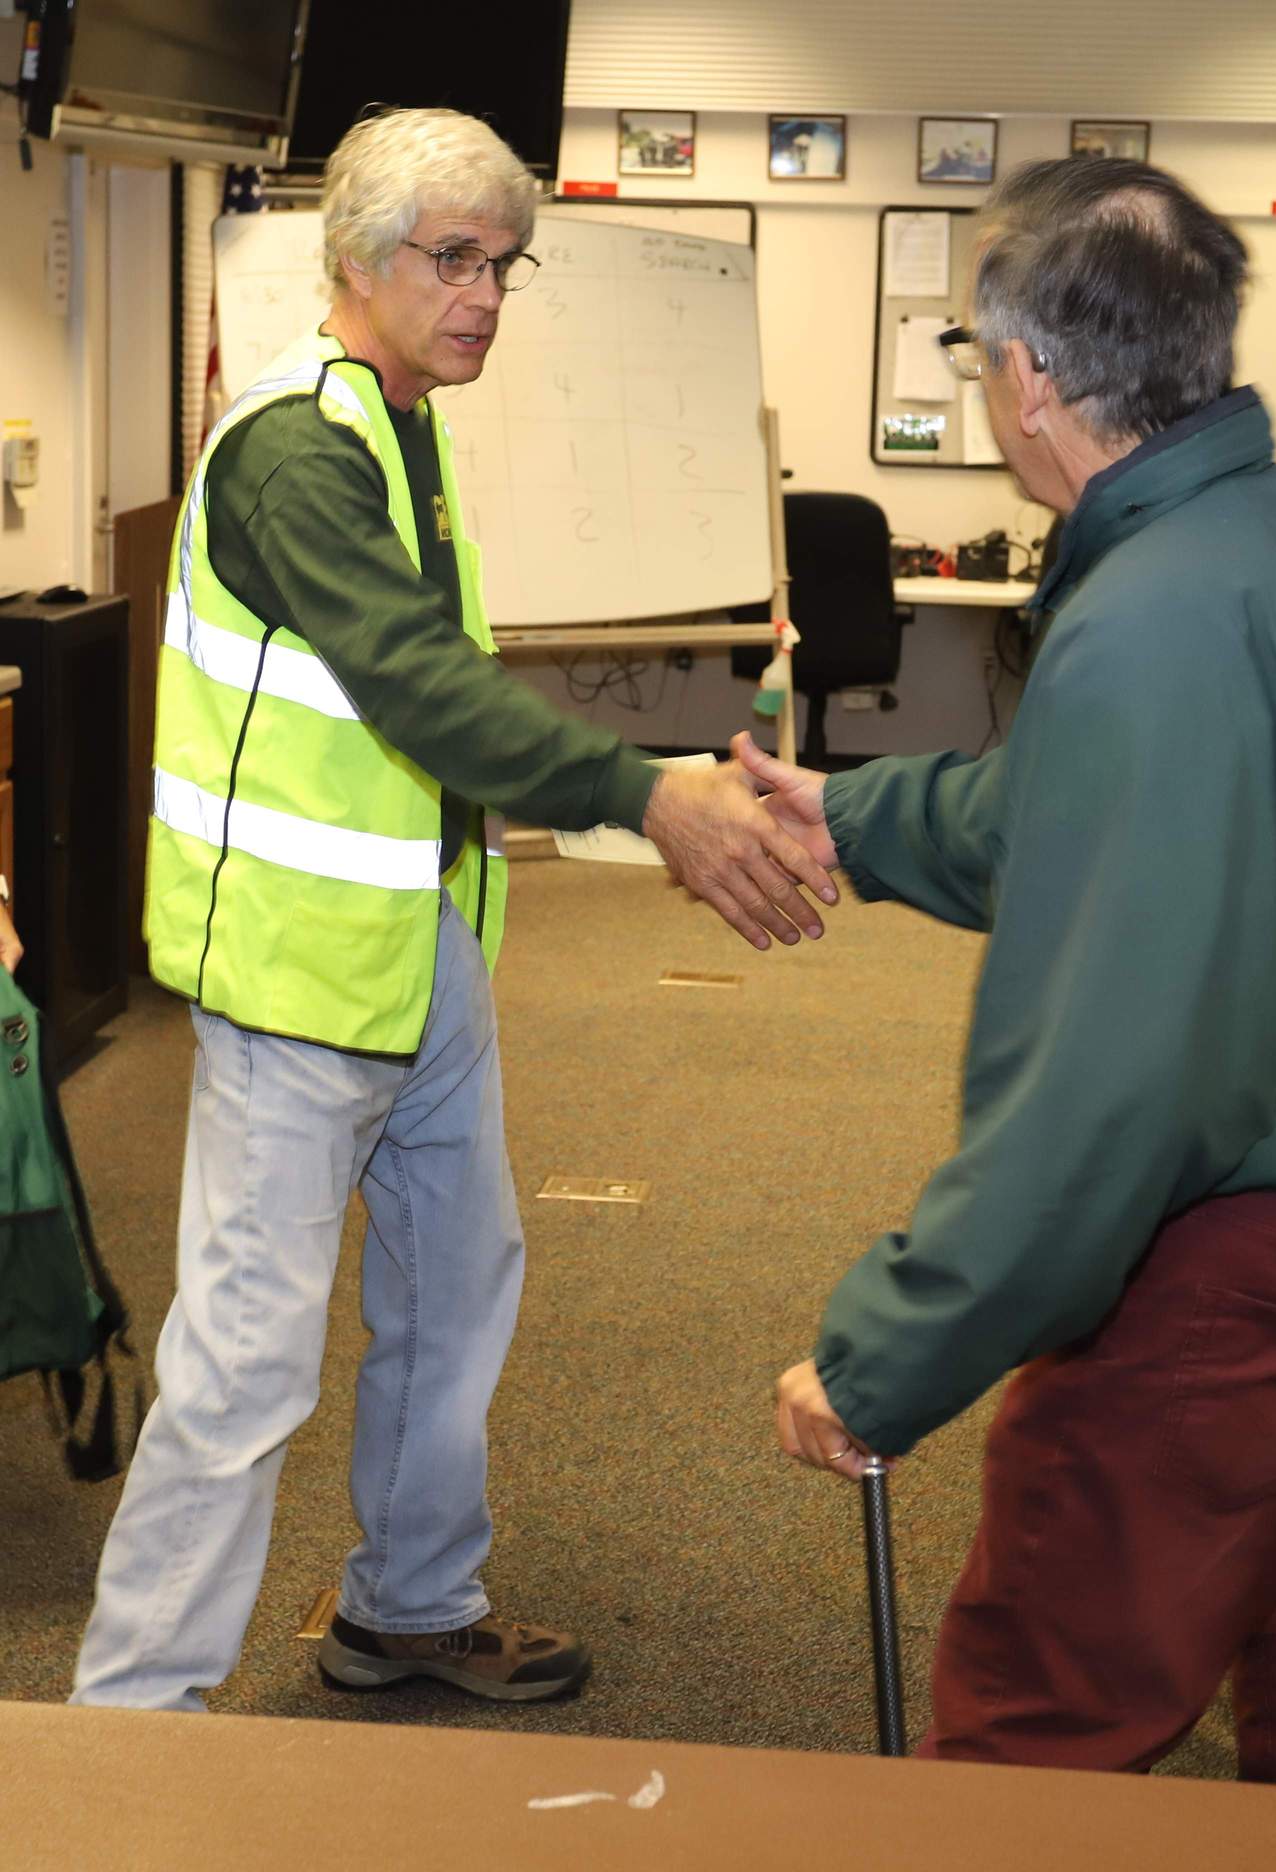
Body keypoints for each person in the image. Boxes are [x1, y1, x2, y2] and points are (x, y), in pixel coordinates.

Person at [750, 155, 1276, 1792]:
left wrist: (890, 1353)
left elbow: (1113, 1087)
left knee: (1040, 1729)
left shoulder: (1152, 616)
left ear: (1026, 375)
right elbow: (1099, 817)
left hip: (1269, 1265)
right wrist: (855, 817)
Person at [70, 107, 836, 1713]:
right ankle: (131, 1719)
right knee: (245, 1363)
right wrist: (650, 798)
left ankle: (408, 1608)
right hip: (295, 972)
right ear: (358, 258)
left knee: (454, 1285)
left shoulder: (402, 422)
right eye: (456, 259)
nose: (486, 294)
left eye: (506, 265)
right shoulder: (296, 448)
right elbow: (418, 689)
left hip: (420, 951)